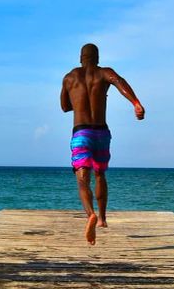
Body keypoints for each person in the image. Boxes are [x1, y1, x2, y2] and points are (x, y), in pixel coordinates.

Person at [60, 43, 145, 245]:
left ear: (81, 58)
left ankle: (90, 214)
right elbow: (120, 82)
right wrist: (136, 103)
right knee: (100, 173)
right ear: (97, 57)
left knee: (82, 178)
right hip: (101, 132)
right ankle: (103, 219)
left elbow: (64, 107)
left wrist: (78, 98)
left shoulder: (69, 77)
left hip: (81, 132)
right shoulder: (104, 72)